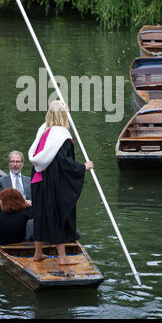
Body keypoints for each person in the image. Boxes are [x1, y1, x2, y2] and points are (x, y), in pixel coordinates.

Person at [28, 100, 94, 265]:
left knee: (40, 216)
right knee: (57, 215)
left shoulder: (43, 130)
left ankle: (38, 254)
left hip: (37, 181)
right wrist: (83, 167)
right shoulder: (63, 136)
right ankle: (62, 258)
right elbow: (66, 163)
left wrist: (63, 110)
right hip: (52, 183)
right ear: (63, 115)